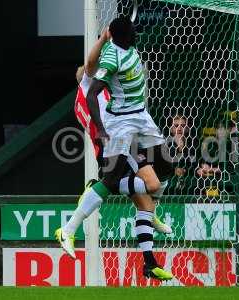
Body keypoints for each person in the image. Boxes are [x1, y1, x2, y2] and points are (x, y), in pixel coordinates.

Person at [56, 17, 174, 281]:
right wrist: (103, 37)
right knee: (125, 187)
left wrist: (108, 37)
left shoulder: (112, 67)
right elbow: (89, 67)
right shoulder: (92, 82)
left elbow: (96, 64)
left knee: (157, 179)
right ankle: (71, 225)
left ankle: (149, 260)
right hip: (116, 139)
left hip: (131, 130)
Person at [166, 115, 197, 194]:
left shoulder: (192, 144)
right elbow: (163, 165)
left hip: (189, 181)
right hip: (168, 182)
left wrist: (185, 170)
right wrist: (174, 170)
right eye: (176, 126)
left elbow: (194, 165)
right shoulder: (165, 143)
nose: (179, 129)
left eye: (182, 126)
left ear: (187, 128)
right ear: (171, 128)